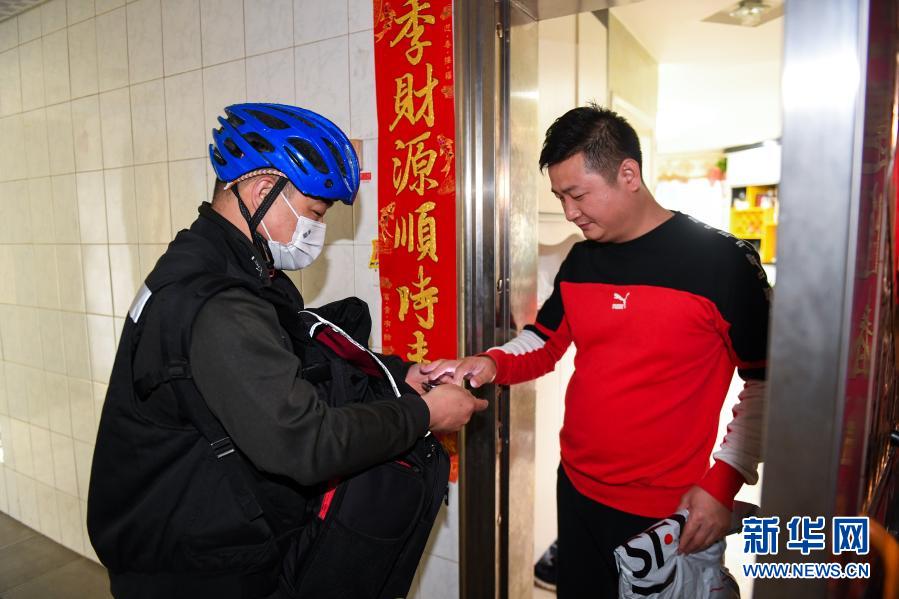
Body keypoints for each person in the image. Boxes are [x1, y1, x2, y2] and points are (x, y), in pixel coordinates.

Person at [86, 103, 486, 598]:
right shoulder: (216, 302)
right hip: (191, 570)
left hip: (205, 532)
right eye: (315, 213)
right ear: (261, 191)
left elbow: (295, 357)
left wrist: (396, 374)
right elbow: (306, 443)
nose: (316, 231)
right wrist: (424, 414)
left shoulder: (222, 265)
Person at [422, 104, 770, 598]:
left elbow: (769, 384)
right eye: (559, 197)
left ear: (628, 174)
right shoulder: (582, 259)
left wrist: (723, 482)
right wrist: (490, 362)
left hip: (665, 508)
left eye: (578, 194)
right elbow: (544, 341)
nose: (569, 212)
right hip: (578, 489)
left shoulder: (721, 262)